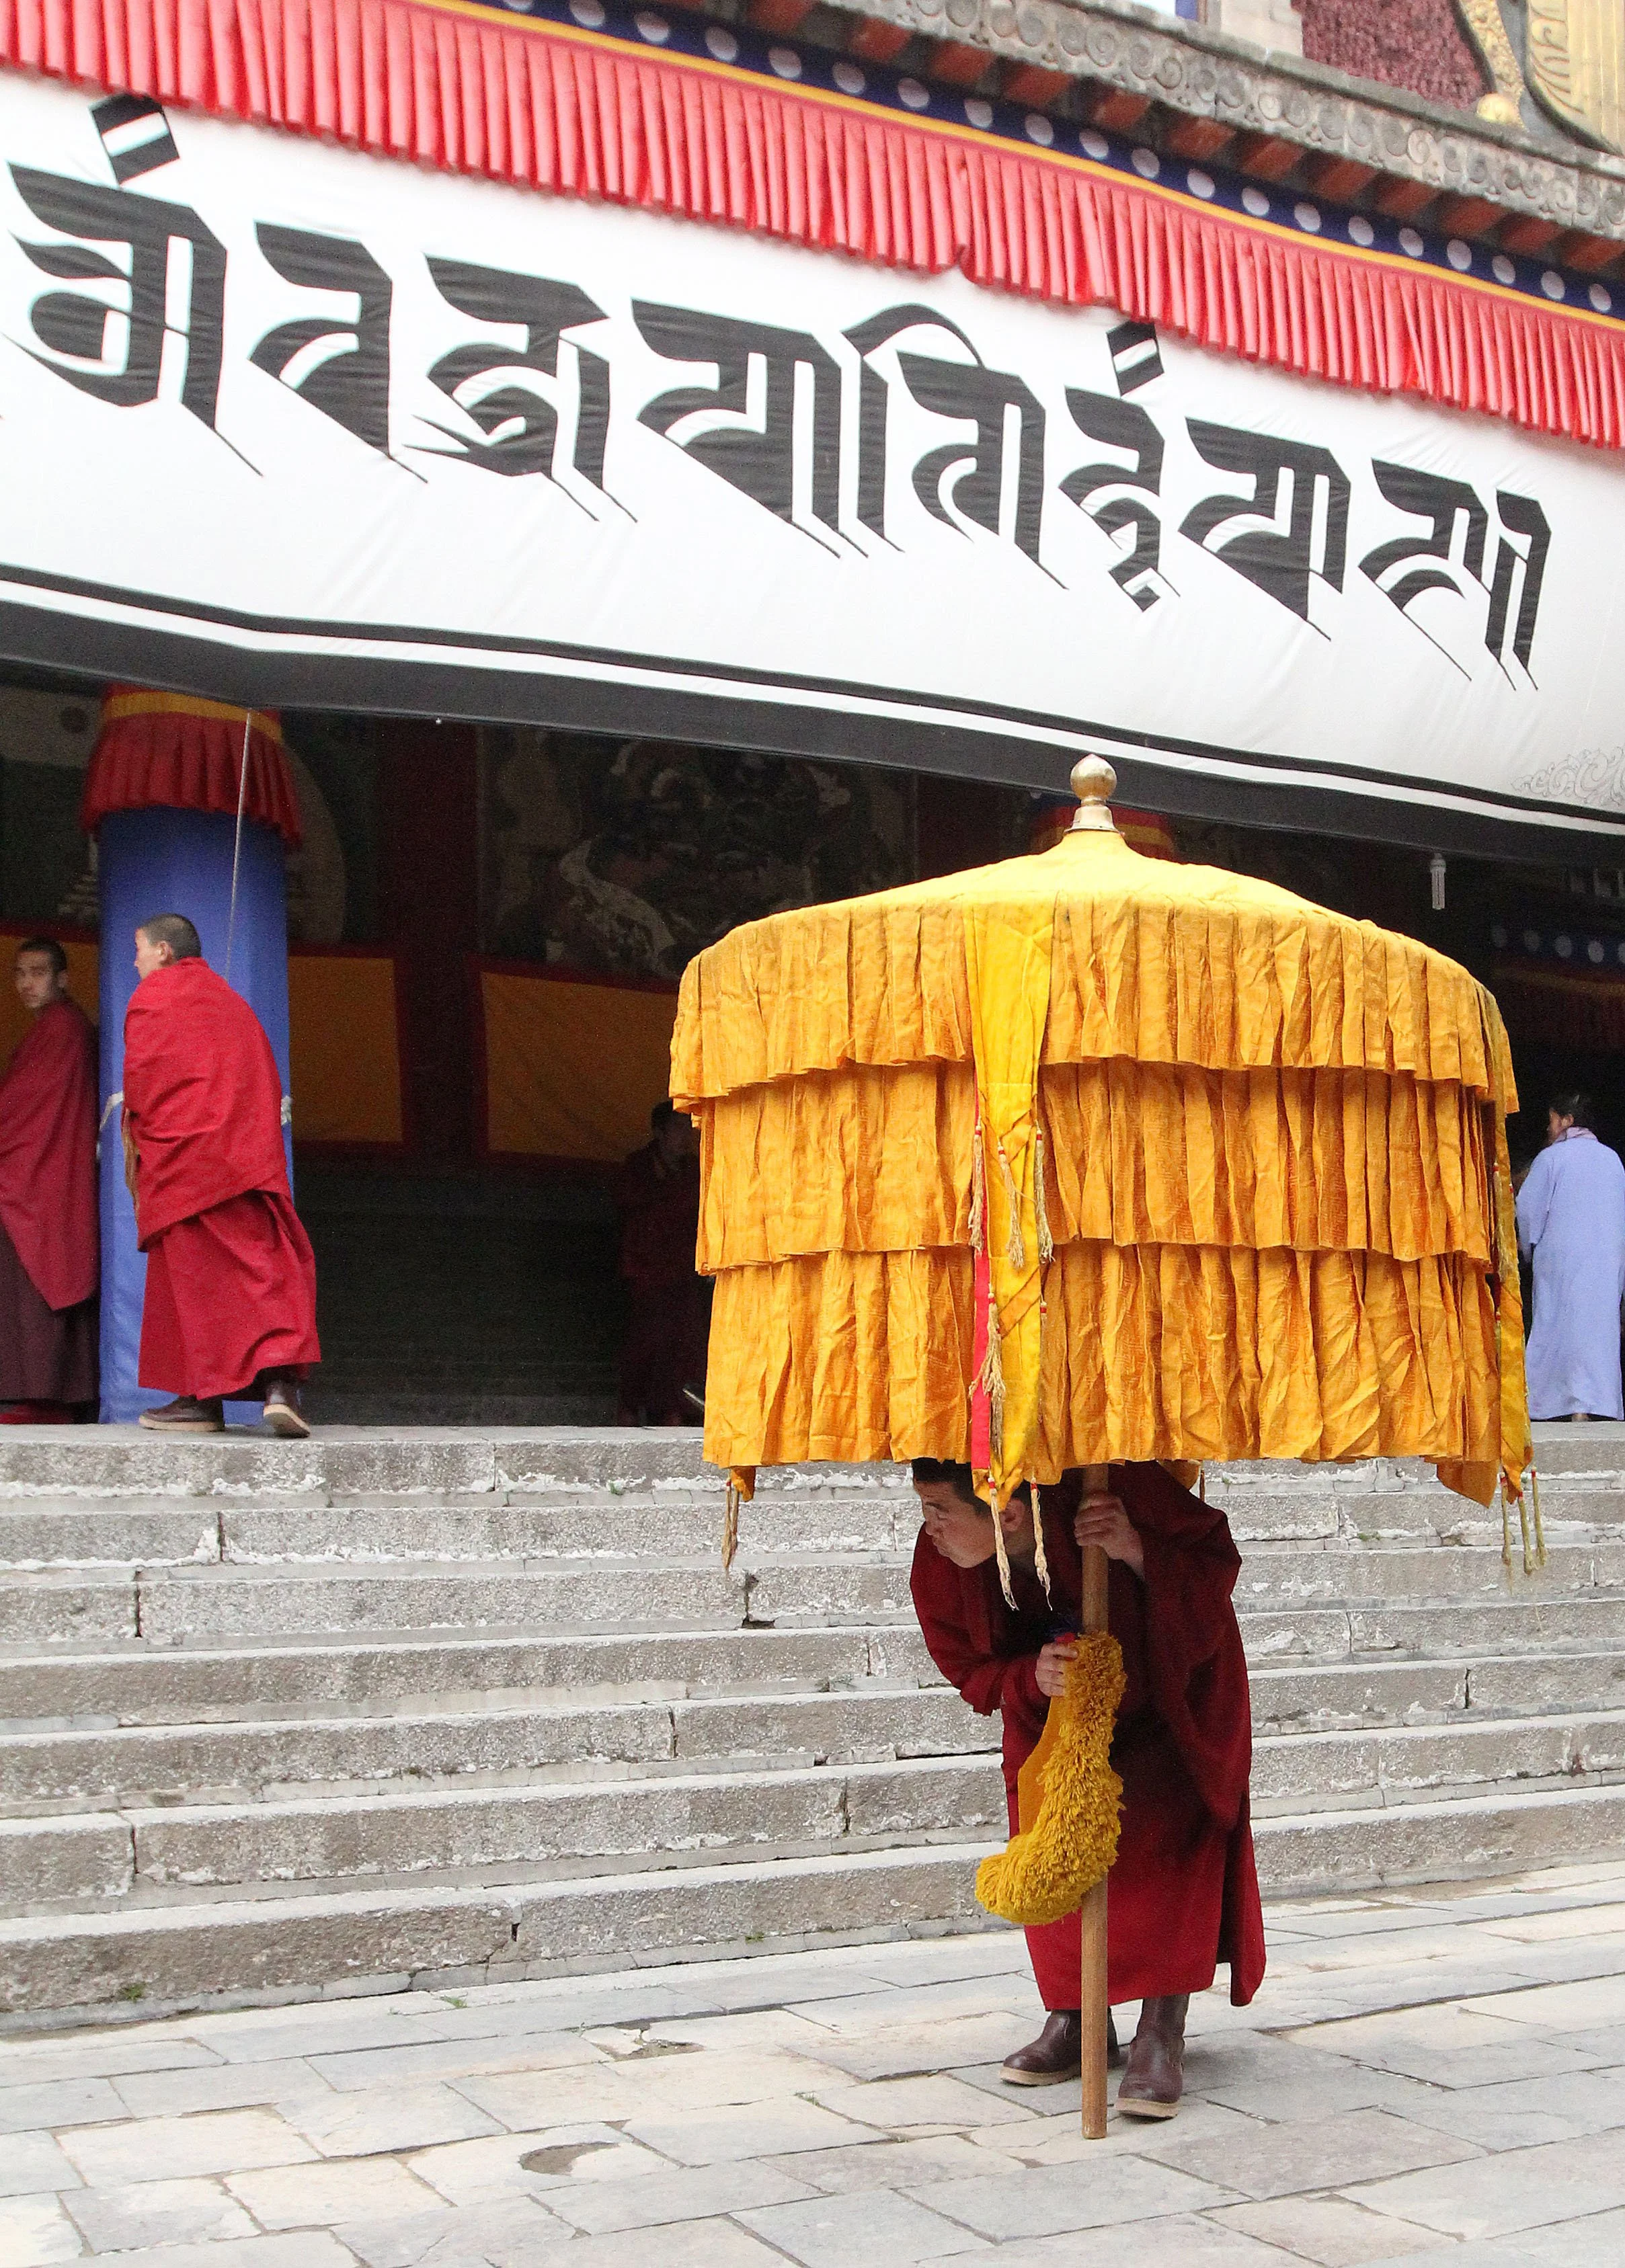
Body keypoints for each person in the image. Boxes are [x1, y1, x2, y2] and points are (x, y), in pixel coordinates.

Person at [909, 1459, 1265, 2117]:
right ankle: (1074, 2018)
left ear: (1008, 1514)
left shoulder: (1109, 1485)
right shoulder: (940, 1560)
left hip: (1166, 1696)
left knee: (1162, 1851)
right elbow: (964, 1666)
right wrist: (1025, 1675)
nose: (927, 1528)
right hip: (1053, 1714)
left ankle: (1162, 2027)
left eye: (939, 1511)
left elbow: (1213, 1561)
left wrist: (1135, 1548)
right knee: (1052, 1845)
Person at [122, 914, 319, 1436]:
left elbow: (144, 1083)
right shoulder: (233, 1003)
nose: (135, 962)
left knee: (190, 1285)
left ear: (164, 951)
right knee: (261, 1273)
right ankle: (279, 1388)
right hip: (245, 1161)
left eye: (138, 950)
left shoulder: (155, 995)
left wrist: (144, 1138)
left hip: (188, 1165)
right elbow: (261, 1077)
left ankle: (198, 1399)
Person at [0, 938, 97, 1419]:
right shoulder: (57, 1028)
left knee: (34, 1278)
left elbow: (19, 1112)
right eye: (20, 973)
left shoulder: (62, 1029)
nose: (26, 983)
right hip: (44, 1173)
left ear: (64, 978)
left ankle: (45, 1397)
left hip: (42, 1179)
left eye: (38, 972)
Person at [1516, 1090, 1625, 1422]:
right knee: (1596, 1333)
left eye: (1551, 1121)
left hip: (1562, 1263)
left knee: (1559, 1328)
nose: (1548, 1131)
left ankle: (1560, 1405)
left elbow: (1528, 1213)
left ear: (1566, 1121)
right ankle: (1591, 1406)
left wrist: (1525, 1251)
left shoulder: (1551, 1160)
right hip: (1606, 1263)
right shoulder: (1613, 1161)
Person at [615, 1098, 708, 1425]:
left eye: (690, 1129)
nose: (686, 1137)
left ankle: (673, 1414)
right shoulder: (638, 1167)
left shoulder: (693, 1171)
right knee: (644, 1344)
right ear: (659, 1133)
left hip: (682, 1272)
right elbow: (635, 1212)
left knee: (681, 1346)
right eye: (678, 1129)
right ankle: (628, 1411)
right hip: (647, 1270)